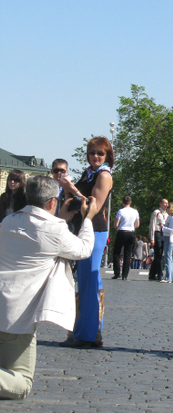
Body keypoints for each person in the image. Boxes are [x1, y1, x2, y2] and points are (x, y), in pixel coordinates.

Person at [0, 176, 97, 399]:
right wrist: (88, 219)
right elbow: (83, 249)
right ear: (53, 201)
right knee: (21, 383)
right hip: (18, 318)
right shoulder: (55, 230)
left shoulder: (8, 222)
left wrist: (60, 219)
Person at [59, 136, 113, 348]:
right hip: (83, 227)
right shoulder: (89, 173)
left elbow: (93, 205)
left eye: (100, 153)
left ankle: (86, 335)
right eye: (92, 152)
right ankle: (93, 331)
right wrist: (67, 190)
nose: (96, 156)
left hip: (94, 229)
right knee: (92, 281)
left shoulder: (104, 175)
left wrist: (73, 189)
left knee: (87, 281)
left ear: (107, 155)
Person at [112, 195, 140, 280]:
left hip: (121, 232)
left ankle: (117, 272)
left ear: (123, 202)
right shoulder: (135, 211)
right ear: (130, 202)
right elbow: (137, 224)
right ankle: (125, 275)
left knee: (116, 253)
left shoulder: (120, 211)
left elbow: (116, 224)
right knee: (127, 255)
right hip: (131, 232)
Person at [149, 199, 168, 282]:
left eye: (167, 203)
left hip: (165, 234)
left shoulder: (167, 214)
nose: (166, 205)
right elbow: (152, 225)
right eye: (164, 203)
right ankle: (160, 274)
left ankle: (152, 274)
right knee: (158, 254)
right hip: (158, 233)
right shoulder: (156, 212)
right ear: (160, 204)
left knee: (159, 255)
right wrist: (152, 238)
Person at [161, 204, 173, 283]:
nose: (167, 208)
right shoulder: (169, 217)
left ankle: (168, 278)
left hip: (170, 238)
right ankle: (172, 277)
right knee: (169, 258)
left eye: (168, 207)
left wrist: (163, 228)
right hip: (167, 238)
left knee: (167, 258)